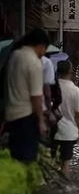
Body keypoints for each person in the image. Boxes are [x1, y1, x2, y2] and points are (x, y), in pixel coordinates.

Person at [5, 28, 49, 162]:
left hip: (11, 115)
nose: (44, 53)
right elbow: (36, 96)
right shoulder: (34, 62)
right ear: (41, 46)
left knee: (15, 157)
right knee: (27, 159)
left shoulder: (14, 55)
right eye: (44, 49)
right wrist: (41, 121)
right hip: (26, 117)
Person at [53, 60, 79, 177]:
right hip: (68, 132)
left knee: (51, 158)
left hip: (51, 129)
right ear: (71, 71)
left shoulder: (52, 87)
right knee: (65, 165)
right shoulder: (76, 91)